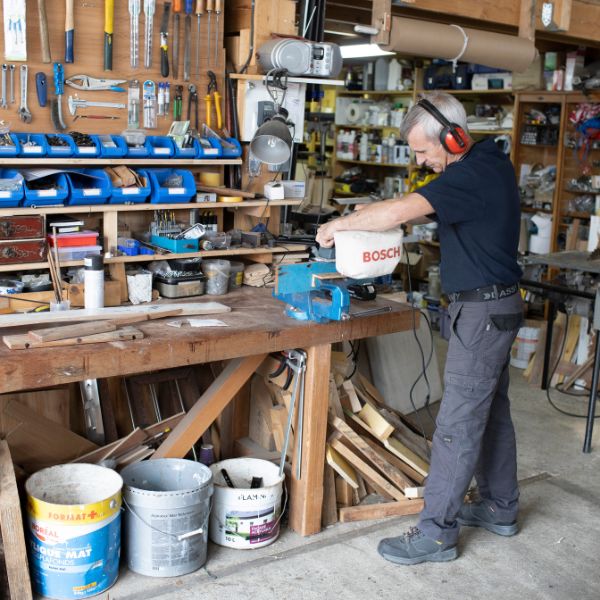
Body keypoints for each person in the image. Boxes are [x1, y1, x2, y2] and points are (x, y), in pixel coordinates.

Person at [316, 92, 523, 565]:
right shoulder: (486, 163)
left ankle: (435, 534)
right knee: (490, 413)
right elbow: (415, 205)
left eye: (423, 151)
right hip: (494, 308)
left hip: (483, 314)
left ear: (453, 138)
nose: (421, 161)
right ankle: (499, 506)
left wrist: (340, 226)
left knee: (457, 423)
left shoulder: (470, 175)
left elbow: (397, 212)